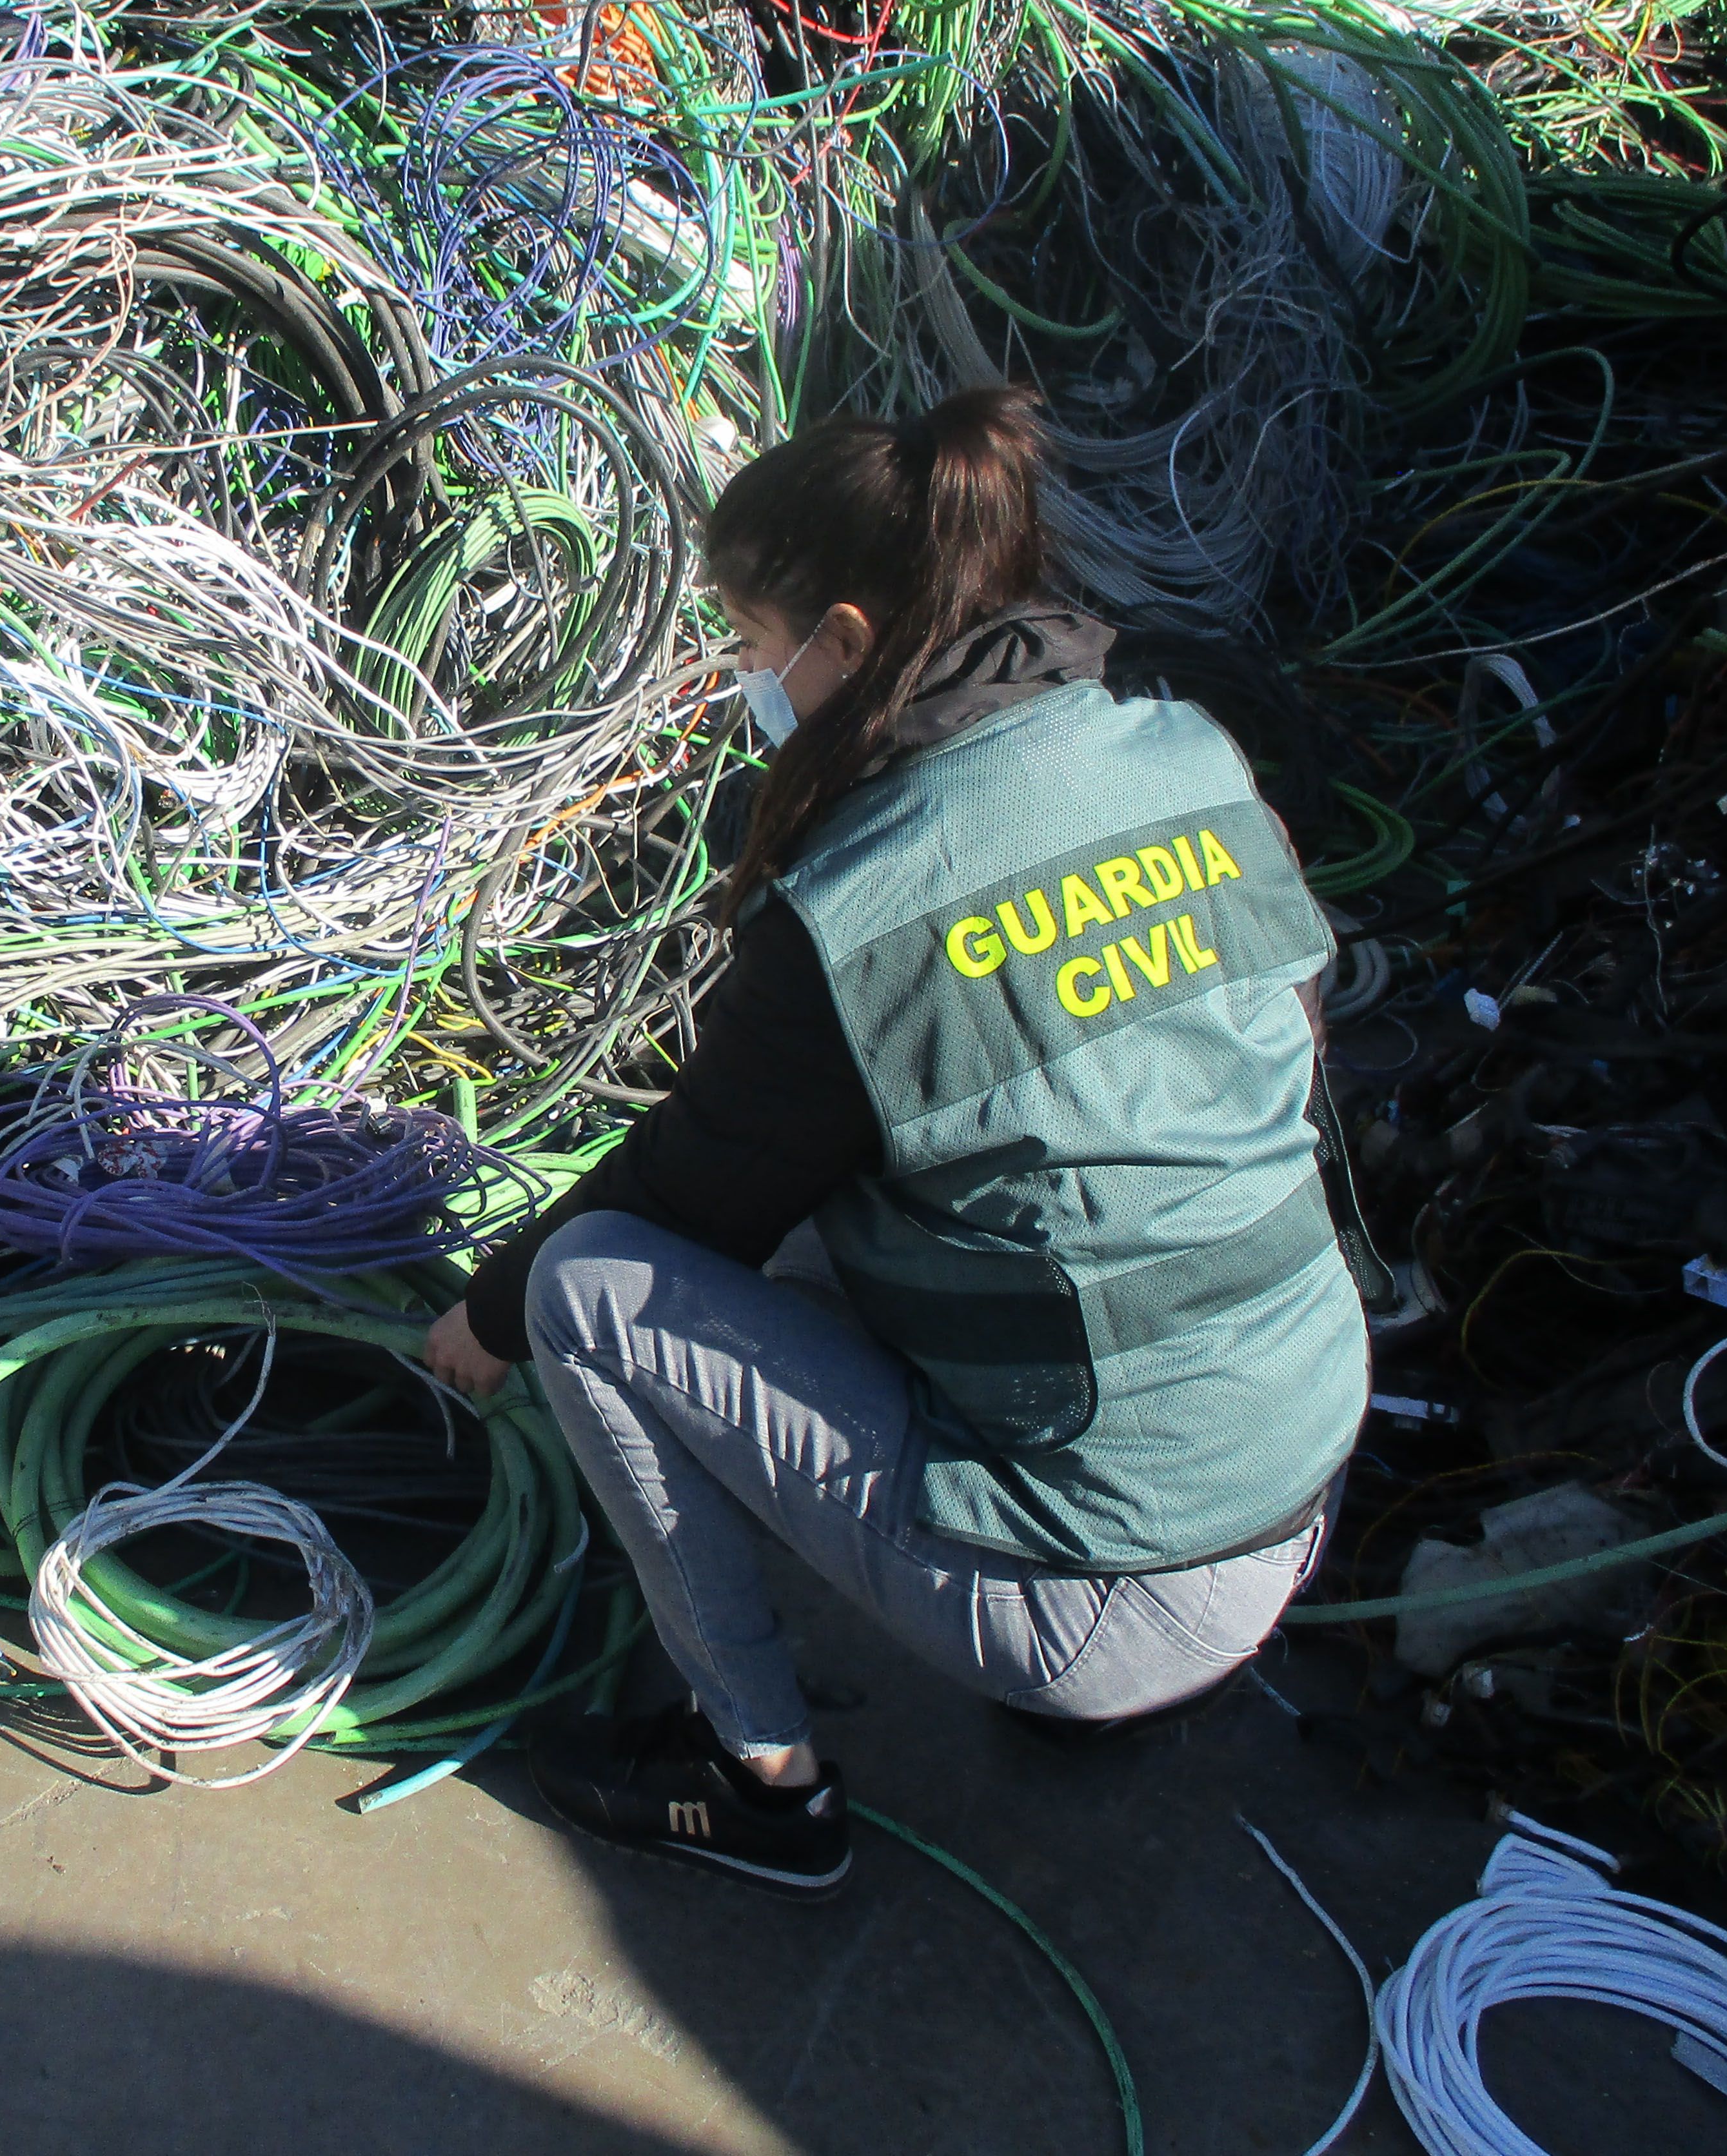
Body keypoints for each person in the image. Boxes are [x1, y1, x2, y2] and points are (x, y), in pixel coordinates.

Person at [422, 385, 1367, 1897]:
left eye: (745, 643)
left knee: (583, 1294)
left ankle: (756, 1786)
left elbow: (685, 1199)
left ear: (847, 642)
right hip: (1298, 1470)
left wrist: (484, 1310)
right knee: (902, 1189)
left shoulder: (864, 913)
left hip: (1114, 1595)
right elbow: (1277, 1049)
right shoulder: (1179, 749)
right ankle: (1116, 1643)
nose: (740, 679)